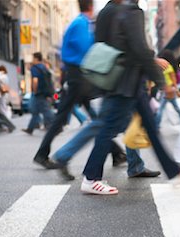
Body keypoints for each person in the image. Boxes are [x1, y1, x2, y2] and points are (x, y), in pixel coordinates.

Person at [80, 0, 180, 195]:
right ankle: (91, 177)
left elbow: (102, 44)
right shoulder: (133, 11)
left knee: (151, 127)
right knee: (108, 128)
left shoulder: (105, 13)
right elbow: (140, 50)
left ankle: (174, 172)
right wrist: (162, 83)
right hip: (127, 82)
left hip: (121, 80)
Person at [32, 0, 127, 167]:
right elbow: (88, 51)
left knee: (97, 118)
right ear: (90, 6)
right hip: (79, 77)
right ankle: (43, 154)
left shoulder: (78, 23)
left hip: (77, 75)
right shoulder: (81, 24)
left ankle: (117, 153)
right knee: (66, 117)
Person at [22, 52, 55, 135]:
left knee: (45, 110)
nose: (32, 60)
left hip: (39, 92)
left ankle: (55, 126)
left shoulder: (35, 68)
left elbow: (35, 80)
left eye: (33, 58)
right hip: (45, 91)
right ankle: (30, 128)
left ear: (36, 59)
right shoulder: (44, 67)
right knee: (35, 110)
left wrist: (35, 90)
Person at [155, 49, 180, 127]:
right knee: (177, 109)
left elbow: (173, 80)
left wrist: (176, 90)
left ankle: (155, 126)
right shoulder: (168, 67)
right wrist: (176, 90)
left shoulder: (166, 67)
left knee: (160, 110)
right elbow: (173, 80)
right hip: (168, 91)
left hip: (167, 91)